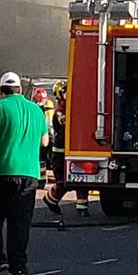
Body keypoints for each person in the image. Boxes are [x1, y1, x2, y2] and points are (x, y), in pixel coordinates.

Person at [0, 72, 48, 275]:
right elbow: (44, 141)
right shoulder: (37, 110)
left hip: (2, 172)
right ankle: (18, 266)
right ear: (19, 89)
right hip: (29, 174)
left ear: (1, 91)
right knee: (21, 221)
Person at [43, 81, 90, 219]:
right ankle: (51, 200)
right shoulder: (60, 110)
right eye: (65, 91)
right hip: (60, 151)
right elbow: (69, 124)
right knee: (63, 181)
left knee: (81, 180)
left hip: (74, 148)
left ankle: (82, 208)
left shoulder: (70, 107)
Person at [32, 87, 55, 174]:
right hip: (48, 134)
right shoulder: (49, 105)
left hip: (42, 135)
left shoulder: (34, 107)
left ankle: (42, 178)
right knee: (45, 158)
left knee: (41, 158)